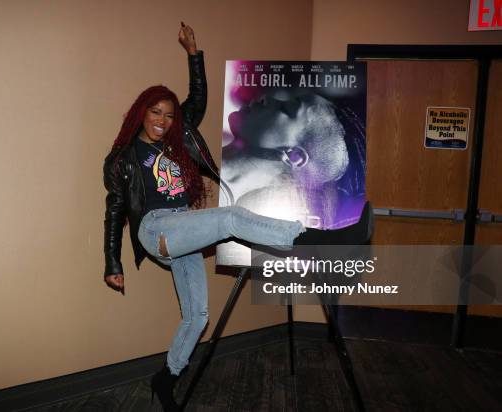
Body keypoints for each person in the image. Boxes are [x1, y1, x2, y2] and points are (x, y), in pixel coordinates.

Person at [103, 23, 372, 411]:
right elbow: (114, 211)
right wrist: (113, 262)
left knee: (197, 316)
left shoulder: (179, 137)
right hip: (156, 228)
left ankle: (165, 379)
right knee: (231, 218)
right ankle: (315, 240)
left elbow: (197, 99)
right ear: (141, 113)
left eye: (168, 114)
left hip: (182, 228)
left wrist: (194, 54)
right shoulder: (124, 158)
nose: (162, 119)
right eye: (155, 112)